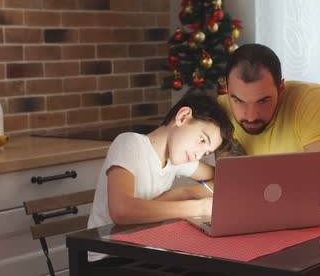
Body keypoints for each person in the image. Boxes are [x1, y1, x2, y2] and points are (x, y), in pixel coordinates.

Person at [87, 92, 234, 261]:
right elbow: (121, 211)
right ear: (183, 117)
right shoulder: (130, 143)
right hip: (108, 256)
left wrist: (181, 194)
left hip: (142, 250)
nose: (198, 155)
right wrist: (199, 207)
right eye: (202, 140)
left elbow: (221, 178)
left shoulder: (176, 159)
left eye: (206, 152)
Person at [217, 43, 320, 183]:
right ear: (227, 89)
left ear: (281, 89)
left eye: (262, 101)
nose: (251, 116)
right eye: (238, 101)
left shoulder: (313, 100)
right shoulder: (219, 109)